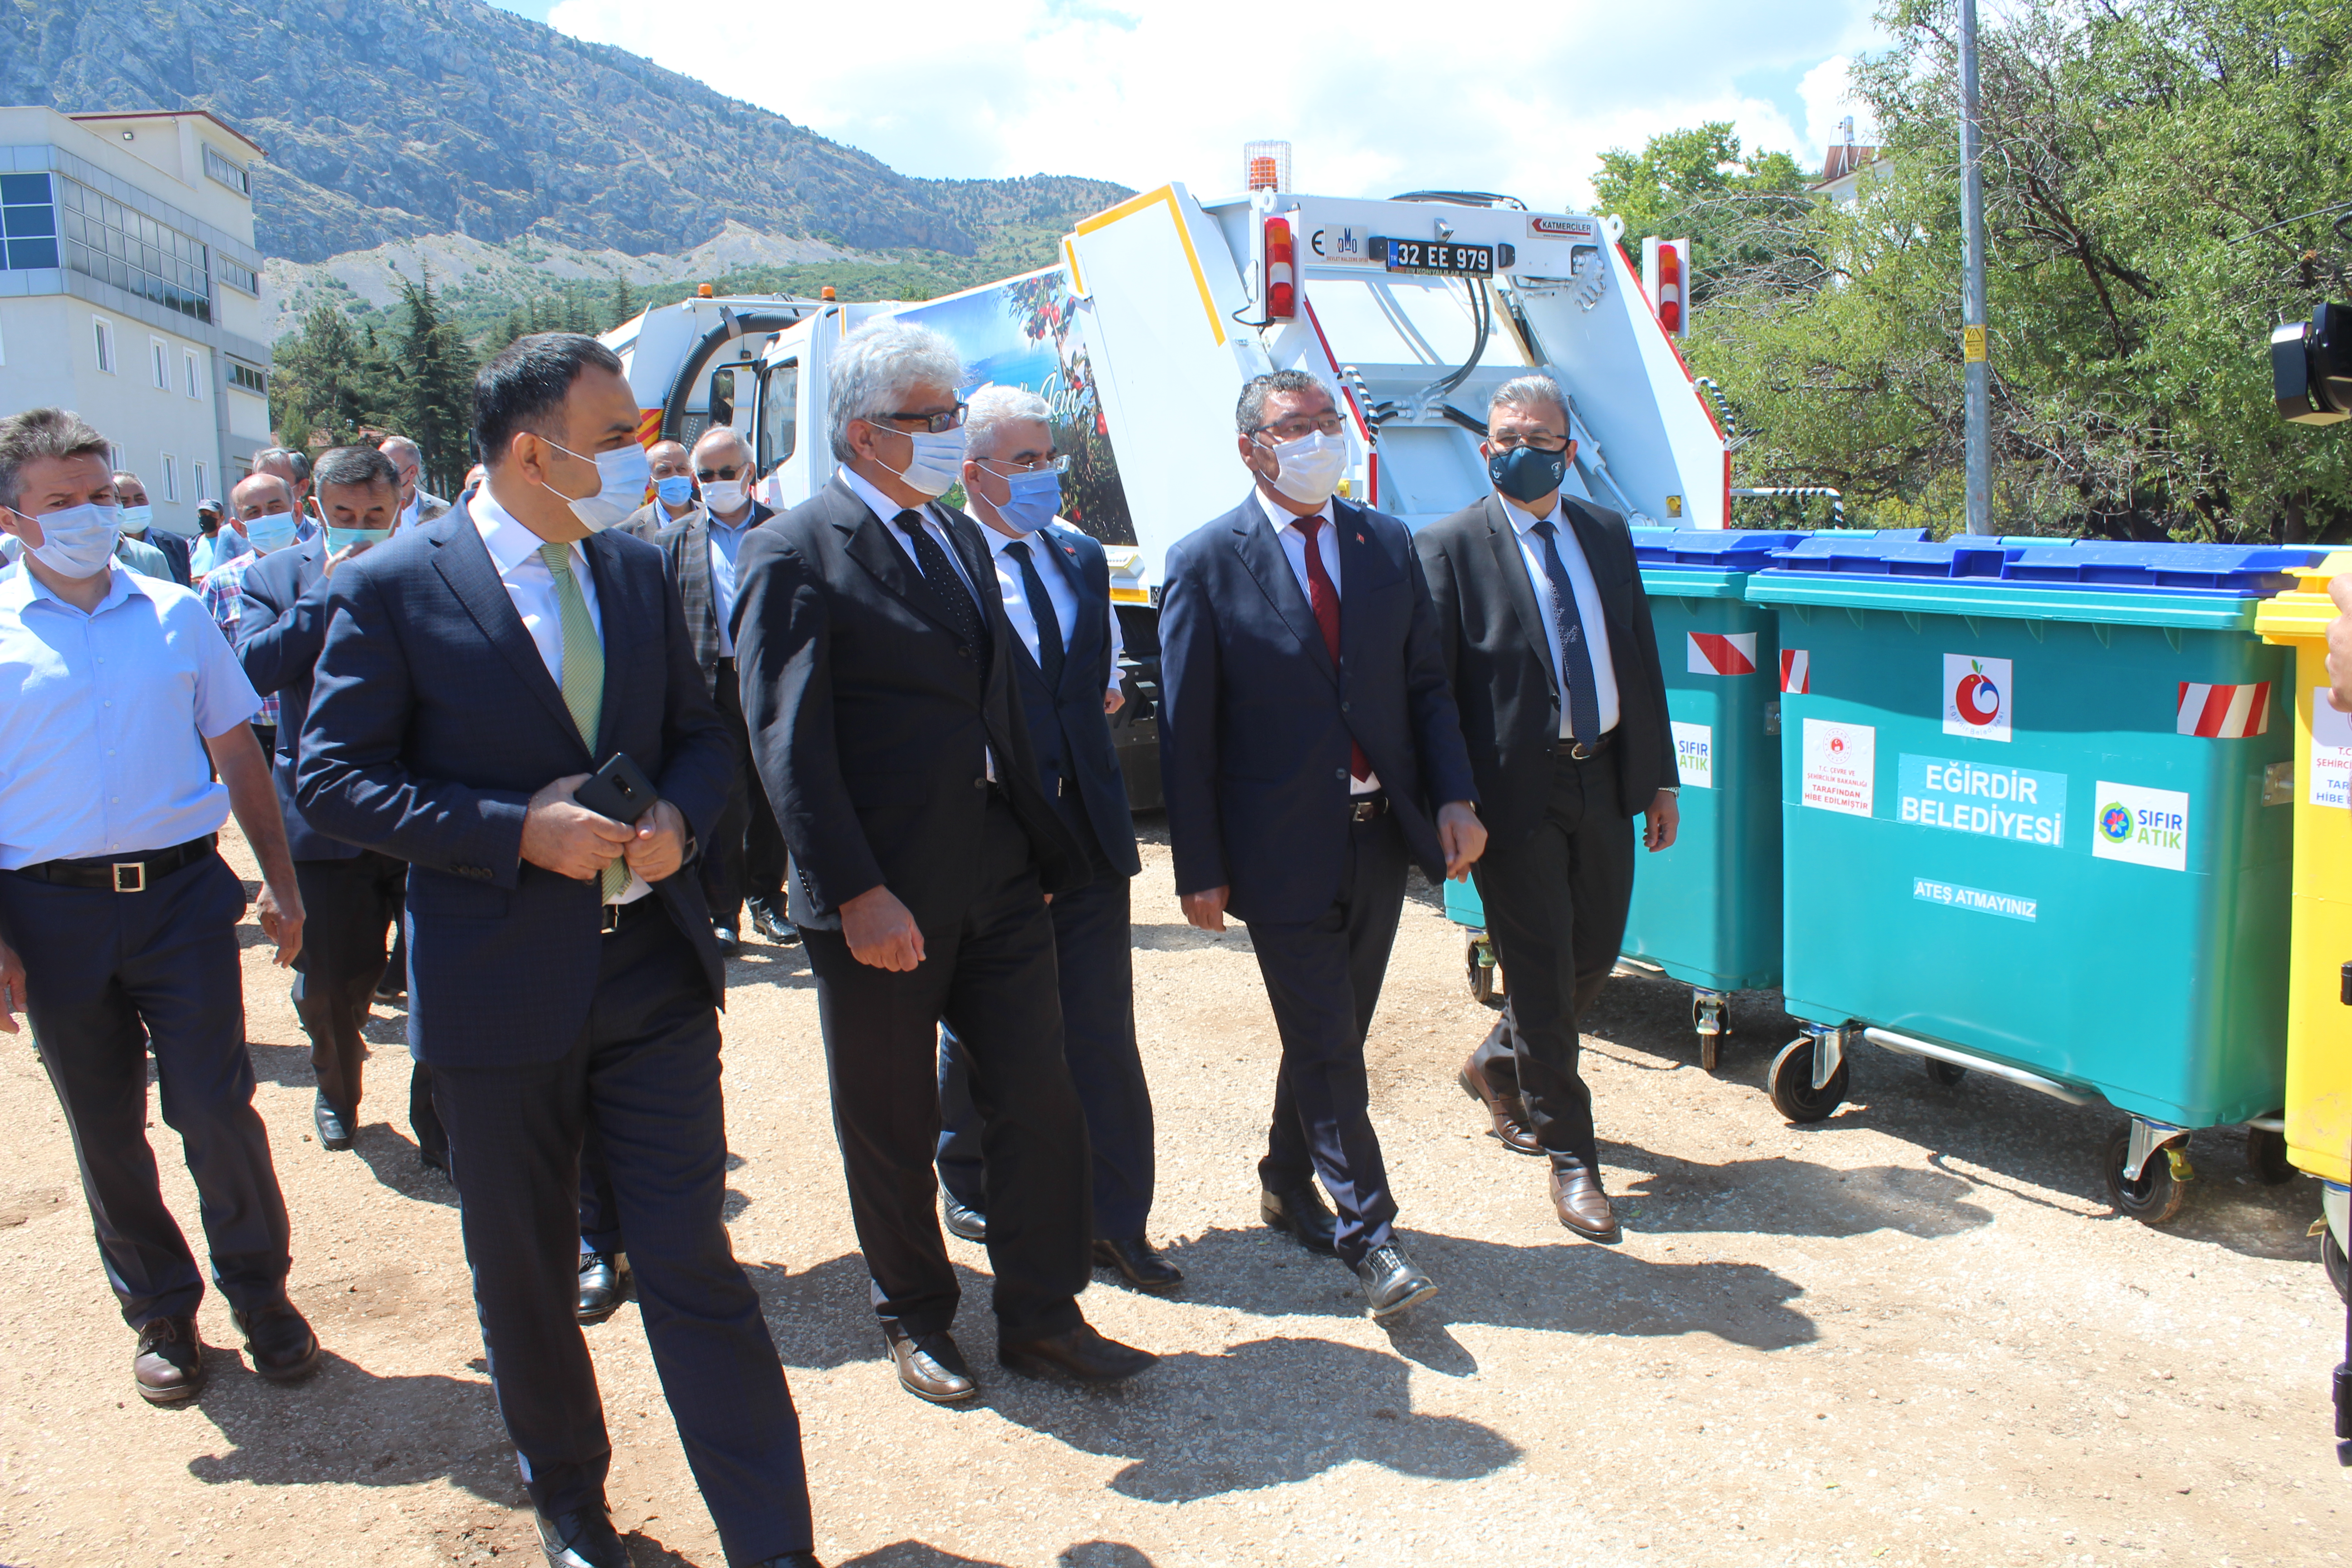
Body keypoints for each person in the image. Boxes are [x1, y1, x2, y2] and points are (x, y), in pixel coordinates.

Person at [298, 334, 818, 1568]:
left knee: (694, 1262)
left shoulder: (634, 574)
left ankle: (774, 1542)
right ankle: (572, 1504)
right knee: (526, 1270)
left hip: (651, 974)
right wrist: (510, 834)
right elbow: (331, 778)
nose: (648, 458)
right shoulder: (394, 587)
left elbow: (700, 729)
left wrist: (687, 815)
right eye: (621, 436)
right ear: (534, 452)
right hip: (498, 991)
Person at [732, 320, 1154, 1403]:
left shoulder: (955, 538)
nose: (950, 432)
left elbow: (999, 708)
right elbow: (789, 746)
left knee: (1036, 1093)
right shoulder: (795, 550)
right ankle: (916, 1315)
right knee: (890, 1119)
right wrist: (856, 890)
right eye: (932, 417)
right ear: (869, 434)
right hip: (881, 888)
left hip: (998, 870)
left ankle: (1041, 1315)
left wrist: (1043, 842)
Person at [0, 407, 319, 1406]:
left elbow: (238, 752)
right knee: (104, 1125)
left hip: (183, 898)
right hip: (50, 916)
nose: (90, 516)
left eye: (101, 496)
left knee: (215, 1108)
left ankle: (261, 1297)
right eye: (63, 502)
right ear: (14, 517)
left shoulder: (175, 612)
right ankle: (161, 1311)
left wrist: (283, 879)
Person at [1158, 369, 1486, 1320]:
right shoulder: (1205, 560)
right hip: (1277, 846)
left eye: (1324, 422)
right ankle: (1370, 1236)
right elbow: (1189, 733)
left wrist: (1454, 797)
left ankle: (1282, 1177)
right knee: (1330, 1044)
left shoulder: (1383, 542)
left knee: (1333, 1030)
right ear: (1251, 447)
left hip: (1379, 837)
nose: (1316, 439)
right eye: (1292, 426)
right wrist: (1200, 865)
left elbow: (1426, 688)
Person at [1414, 376, 1679, 1241]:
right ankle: (1572, 1159)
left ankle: (1497, 1062)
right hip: (1510, 795)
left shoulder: (1602, 531)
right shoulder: (1450, 545)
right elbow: (1435, 692)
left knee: (1594, 950)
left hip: (1601, 776)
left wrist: (1658, 777)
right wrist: (1452, 800)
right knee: (1536, 968)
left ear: (1567, 447)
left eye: (1531, 436)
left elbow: (1635, 653)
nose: (1511, 449)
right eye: (1499, 436)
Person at [930, 386, 1176, 1292]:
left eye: (1049, 460)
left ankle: (1117, 1220)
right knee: (991, 1025)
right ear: (972, 473)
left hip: (1089, 834)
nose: (1043, 478)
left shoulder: (1077, 554)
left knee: (1102, 1029)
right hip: (996, 843)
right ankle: (968, 1176)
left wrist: (1102, 690)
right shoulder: (943, 563)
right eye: (1023, 462)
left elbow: (1100, 667)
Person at [233, 445, 445, 1169]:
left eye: (376, 517)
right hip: (325, 819)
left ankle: (438, 1119)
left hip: (421, 808)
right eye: (345, 516)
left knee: (438, 977)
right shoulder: (272, 578)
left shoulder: (431, 566)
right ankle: (338, 1087)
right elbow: (254, 670)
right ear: (315, 509)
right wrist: (329, 593)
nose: (361, 529)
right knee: (331, 984)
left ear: (399, 510)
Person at [652, 428, 775, 954]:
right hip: (710, 682)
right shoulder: (670, 544)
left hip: (771, 678)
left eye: (729, 472)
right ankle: (723, 911)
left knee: (773, 792)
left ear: (750, 472)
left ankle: (770, 902)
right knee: (726, 801)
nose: (718, 483)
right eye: (707, 475)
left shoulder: (783, 531)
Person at [203, 473, 305, 756]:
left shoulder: (328, 567)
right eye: (254, 513)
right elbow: (212, 666)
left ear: (296, 511)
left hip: (322, 728)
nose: (267, 518)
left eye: (275, 508)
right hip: (258, 735)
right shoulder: (220, 584)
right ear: (239, 527)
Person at [115, 471, 192, 585]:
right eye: (124, 501)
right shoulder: (106, 548)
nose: (134, 506)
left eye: (139, 499)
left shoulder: (176, 544)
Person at [623, 439, 697, 541]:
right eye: (665, 471)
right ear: (649, 480)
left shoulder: (715, 518)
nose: (675, 476)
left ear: (692, 475)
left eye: (681, 469)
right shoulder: (627, 531)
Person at [379, 435, 452, 530]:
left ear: (412, 472)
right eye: (378, 464)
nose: (380, 472)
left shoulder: (441, 510)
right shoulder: (370, 511)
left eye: (389, 467)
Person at [252, 447, 321, 544]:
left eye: (278, 482)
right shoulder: (237, 536)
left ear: (303, 487)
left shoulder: (322, 535)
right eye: (262, 481)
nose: (267, 489)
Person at [188, 497, 249, 580]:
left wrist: (211, 576)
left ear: (222, 518)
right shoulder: (191, 544)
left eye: (212, 515)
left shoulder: (230, 541)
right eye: (203, 515)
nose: (206, 518)